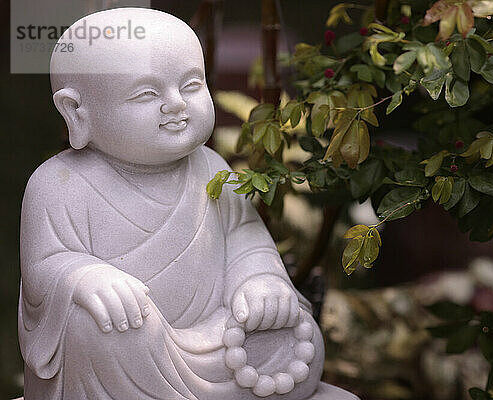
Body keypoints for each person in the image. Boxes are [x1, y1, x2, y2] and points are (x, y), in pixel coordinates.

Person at [18, 8, 358, 400]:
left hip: (220, 337)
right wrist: (83, 277)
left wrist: (260, 281)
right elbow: (45, 267)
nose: (177, 104)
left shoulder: (211, 168)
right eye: (147, 93)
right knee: (92, 325)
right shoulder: (59, 184)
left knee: (296, 333)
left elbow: (245, 240)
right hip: (133, 342)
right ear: (77, 111)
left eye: (192, 85)